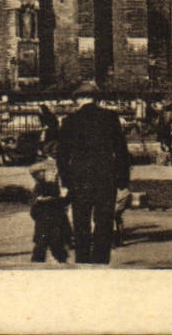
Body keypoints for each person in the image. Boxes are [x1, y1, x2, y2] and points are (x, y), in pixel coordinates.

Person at [55, 80, 132, 265]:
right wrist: (122, 182)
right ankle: (100, 262)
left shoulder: (69, 121)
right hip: (105, 177)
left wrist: (65, 182)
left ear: (79, 99)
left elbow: (62, 156)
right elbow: (121, 151)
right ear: (95, 99)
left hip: (79, 178)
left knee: (81, 222)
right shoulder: (110, 118)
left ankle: (82, 262)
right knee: (103, 222)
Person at [29, 177, 72, 264]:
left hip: (43, 231)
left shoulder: (39, 204)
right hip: (55, 232)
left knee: (40, 249)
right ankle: (62, 261)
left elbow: (33, 214)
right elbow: (64, 219)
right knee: (57, 249)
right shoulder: (58, 202)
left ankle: (37, 263)